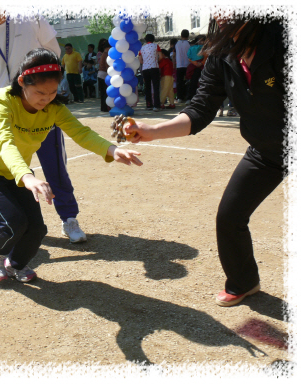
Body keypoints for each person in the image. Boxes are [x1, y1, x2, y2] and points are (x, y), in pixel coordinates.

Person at [125, 17, 286, 307]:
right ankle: (244, 282)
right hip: (266, 151)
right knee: (230, 218)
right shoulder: (224, 53)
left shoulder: (282, 39)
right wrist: (153, 132)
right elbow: (201, 108)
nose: (221, 12)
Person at [0, 48, 143, 282]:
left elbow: (80, 132)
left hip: (16, 172)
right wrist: (27, 176)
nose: (46, 98)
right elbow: (4, 143)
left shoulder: (53, 108)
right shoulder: (2, 102)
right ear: (22, 82)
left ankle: (16, 264)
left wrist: (112, 149)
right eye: (40, 92)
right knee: (13, 222)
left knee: (37, 228)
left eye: (52, 92)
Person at [0, 11, 89, 243]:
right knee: (5, 170)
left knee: (55, 167)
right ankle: (10, 224)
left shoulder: (32, 18)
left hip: (40, 105)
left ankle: (69, 218)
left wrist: (44, 91)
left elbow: (54, 54)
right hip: (7, 110)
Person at [138, 33, 161, 111]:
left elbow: (140, 60)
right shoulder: (156, 46)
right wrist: (156, 61)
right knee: (156, 87)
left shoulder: (142, 48)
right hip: (154, 67)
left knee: (147, 87)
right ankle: (156, 106)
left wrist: (145, 62)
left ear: (146, 40)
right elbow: (160, 56)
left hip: (145, 69)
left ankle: (148, 105)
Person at [185, 35, 206, 103]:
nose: (200, 42)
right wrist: (196, 64)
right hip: (196, 67)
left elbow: (207, 56)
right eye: (199, 40)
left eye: (202, 40)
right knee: (193, 82)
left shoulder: (207, 48)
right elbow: (189, 58)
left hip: (204, 66)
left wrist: (201, 63)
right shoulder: (193, 48)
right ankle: (191, 98)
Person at [175, 29, 190, 103]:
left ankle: (180, 97)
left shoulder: (177, 44)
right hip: (188, 65)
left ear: (181, 35)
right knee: (188, 81)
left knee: (179, 82)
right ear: (188, 35)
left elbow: (174, 55)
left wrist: (174, 64)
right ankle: (188, 97)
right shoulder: (189, 44)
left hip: (179, 65)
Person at [97, 39, 111, 112]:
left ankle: (103, 108)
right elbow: (107, 67)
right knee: (105, 93)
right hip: (104, 75)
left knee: (103, 93)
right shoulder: (106, 55)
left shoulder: (103, 54)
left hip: (100, 75)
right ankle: (105, 108)